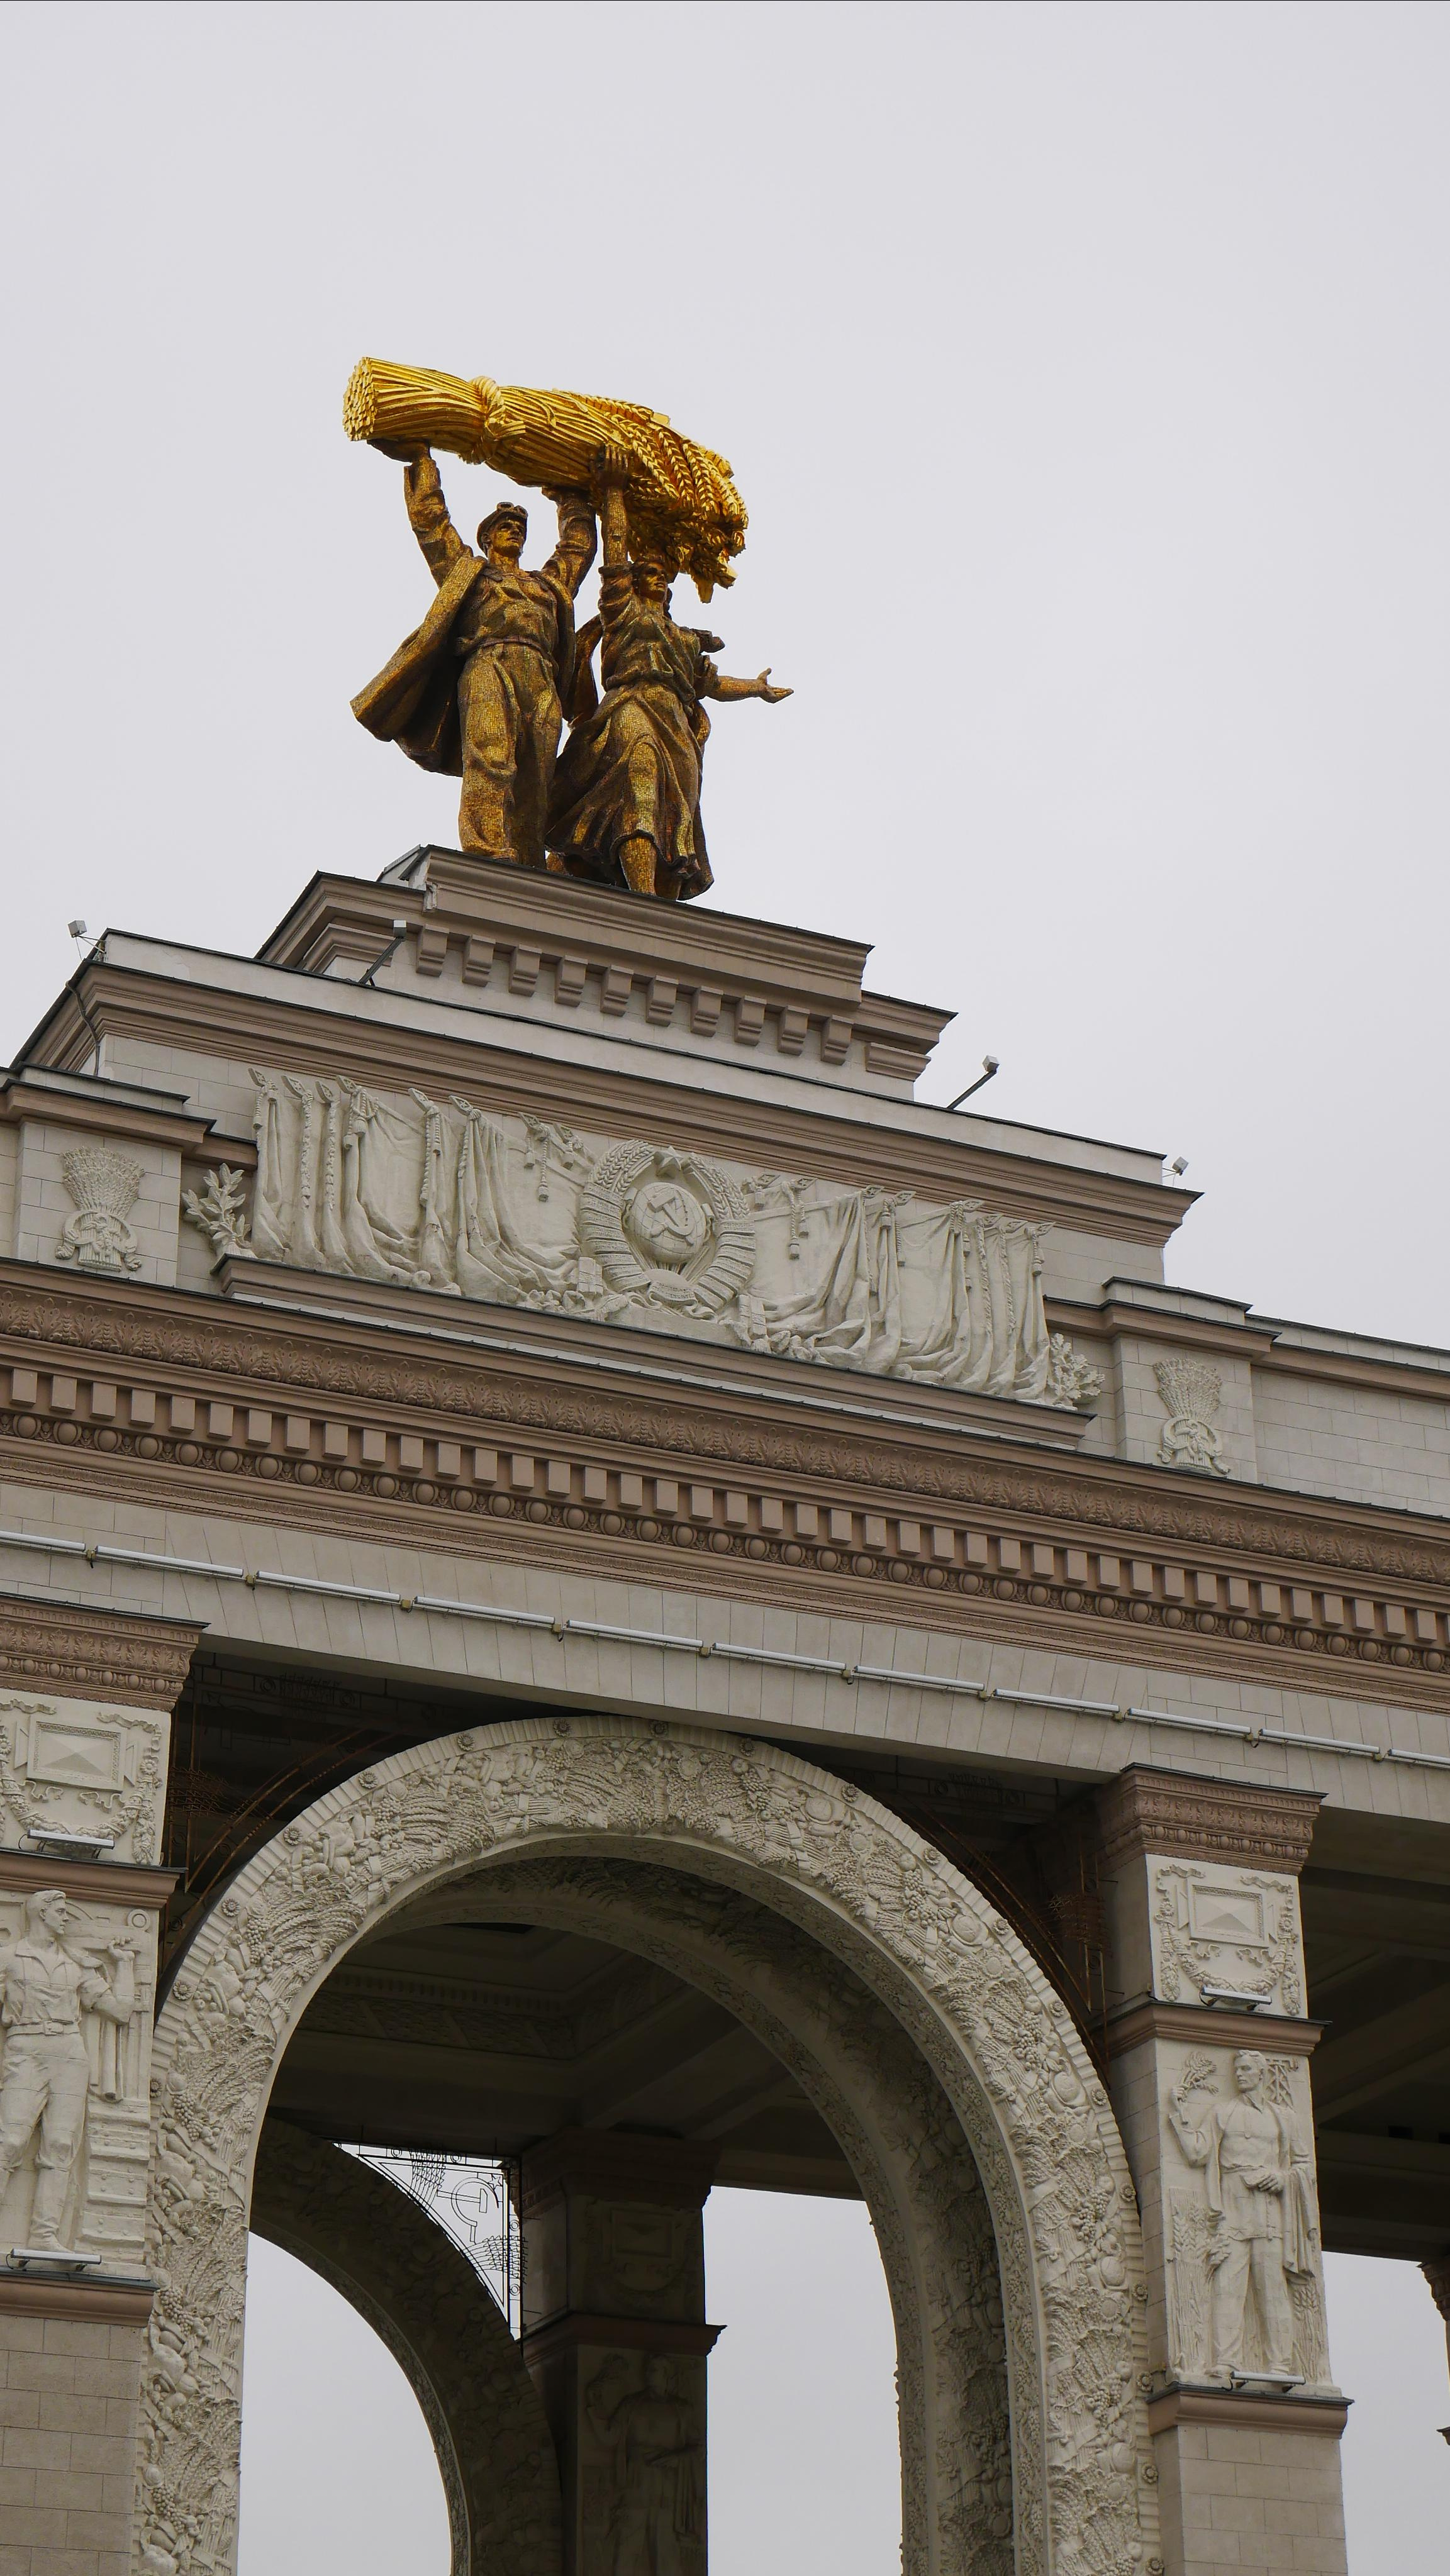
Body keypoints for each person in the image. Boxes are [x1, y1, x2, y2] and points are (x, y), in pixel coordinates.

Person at [547, 449, 791, 899]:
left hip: (677, 723)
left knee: (673, 805)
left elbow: (710, 684)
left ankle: (660, 897)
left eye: (661, 574)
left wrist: (755, 689)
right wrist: (614, 492)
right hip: (632, 706)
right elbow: (615, 549)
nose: (656, 578)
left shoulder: (682, 638)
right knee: (639, 782)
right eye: (648, 573)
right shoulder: (621, 611)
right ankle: (641, 896)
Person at [352, 448, 596, 868]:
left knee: (537, 774)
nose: (515, 532)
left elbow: (577, 549)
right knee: (491, 754)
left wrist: (571, 496)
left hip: (540, 673)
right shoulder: (468, 571)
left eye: (519, 527)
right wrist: (422, 459)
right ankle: (487, 848)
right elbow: (431, 522)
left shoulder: (548, 585)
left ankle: (527, 859)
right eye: (505, 527)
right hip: (489, 664)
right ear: (487, 538)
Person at [1167, 2047, 1319, 2380]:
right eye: (1237, 2069)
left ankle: (1280, 2365)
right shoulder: (1223, 2113)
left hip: (1269, 2214)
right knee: (1228, 2289)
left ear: (1262, 2074)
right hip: (1233, 2213)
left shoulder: (1284, 2118)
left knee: (1273, 2290)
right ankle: (1226, 2360)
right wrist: (1179, 2114)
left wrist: (1280, 2178)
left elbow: (1304, 2165)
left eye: (1247, 2069)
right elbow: (1197, 2153)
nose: (1239, 2075)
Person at [0, 1889, 137, 2249]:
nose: (66, 1918)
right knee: (11, 2141)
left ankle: (44, 2235)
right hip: (25, 2047)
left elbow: (120, 2011)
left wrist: (123, 1964)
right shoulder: (9, 1959)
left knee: (60, 2145)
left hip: (69, 2051)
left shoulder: (76, 1964)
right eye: (60, 1912)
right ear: (40, 1914)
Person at [586, 2353, 703, 2576]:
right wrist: (593, 2405)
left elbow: (696, 2447)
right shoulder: (632, 2404)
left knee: (665, 2546)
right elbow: (610, 2436)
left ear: (667, 2375)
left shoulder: (682, 2409)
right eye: (648, 2369)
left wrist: (676, 2458)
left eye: (655, 2370)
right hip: (637, 2482)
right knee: (628, 2541)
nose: (648, 2374)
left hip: (668, 2486)